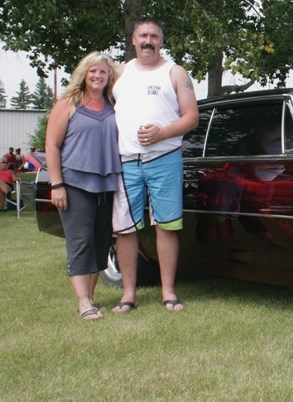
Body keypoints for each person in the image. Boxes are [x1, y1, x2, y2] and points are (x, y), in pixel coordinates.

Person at [111, 15, 199, 313]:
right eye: (142, 36)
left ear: (162, 41)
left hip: (165, 159)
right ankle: (128, 295)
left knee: (167, 226)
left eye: (154, 36)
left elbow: (191, 117)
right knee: (124, 229)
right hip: (126, 162)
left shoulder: (175, 72)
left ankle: (169, 293)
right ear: (133, 40)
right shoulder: (119, 73)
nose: (148, 41)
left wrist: (162, 133)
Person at [44, 51, 122, 320]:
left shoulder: (115, 104)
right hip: (75, 184)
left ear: (110, 76)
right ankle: (83, 301)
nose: (98, 76)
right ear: (83, 74)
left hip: (107, 184)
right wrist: (57, 185)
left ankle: (90, 298)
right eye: (93, 71)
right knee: (80, 243)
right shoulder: (68, 104)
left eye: (103, 71)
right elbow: (52, 146)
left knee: (100, 243)